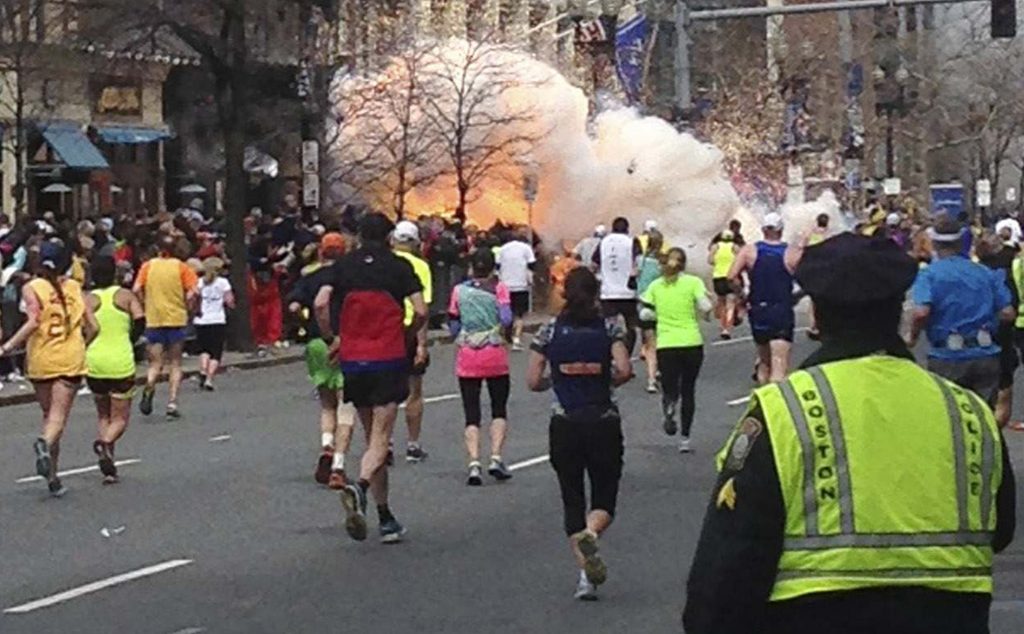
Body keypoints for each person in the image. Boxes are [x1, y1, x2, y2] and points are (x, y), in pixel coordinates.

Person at [684, 232, 1016, 634]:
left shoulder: (783, 412)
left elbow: (728, 566)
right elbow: (1001, 531)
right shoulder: (968, 412)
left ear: (818, 317)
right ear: (899, 308)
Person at [314, 213, 427, 544]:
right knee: (381, 440)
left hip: (353, 359)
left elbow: (321, 302)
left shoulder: (343, 266)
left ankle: (385, 516)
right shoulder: (399, 267)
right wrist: (406, 334)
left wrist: (332, 337)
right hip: (388, 357)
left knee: (370, 438)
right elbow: (420, 311)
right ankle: (360, 487)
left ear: (360, 236)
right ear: (389, 237)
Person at [526, 267, 633, 601]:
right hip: (602, 419)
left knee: (572, 498)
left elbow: (532, 380)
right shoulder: (611, 327)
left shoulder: (549, 331)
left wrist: (554, 381)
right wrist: (608, 379)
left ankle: (586, 578)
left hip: (565, 423)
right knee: (604, 498)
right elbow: (625, 369)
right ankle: (592, 531)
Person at [0, 241, 98, 497]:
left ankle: (53, 477)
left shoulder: (32, 287)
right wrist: (82, 344)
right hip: (69, 358)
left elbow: (33, 321)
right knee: (57, 418)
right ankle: (44, 446)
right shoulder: (75, 287)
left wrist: (8, 346)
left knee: (49, 416)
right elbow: (94, 327)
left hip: (41, 358)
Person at [909, 217, 1014, 408]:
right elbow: (1007, 313)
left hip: (947, 356)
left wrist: (912, 337)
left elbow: (921, 313)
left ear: (935, 244)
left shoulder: (929, 274)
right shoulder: (984, 272)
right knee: (985, 416)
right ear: (961, 243)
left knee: (952, 418)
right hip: (985, 353)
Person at [289, 232, 353, 490]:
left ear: (322, 251)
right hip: (345, 342)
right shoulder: (349, 278)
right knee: (345, 404)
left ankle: (327, 444)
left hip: (316, 343)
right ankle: (338, 465)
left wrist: (302, 324)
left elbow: (293, 305)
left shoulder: (310, 277)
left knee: (327, 404)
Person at [448, 248, 514, 485]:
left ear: (471, 267)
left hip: (468, 355)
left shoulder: (459, 291)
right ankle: (496, 457)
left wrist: (464, 333)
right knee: (498, 408)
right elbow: (506, 318)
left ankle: (474, 462)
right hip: (494, 353)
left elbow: (453, 320)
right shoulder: (499, 288)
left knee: (471, 412)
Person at [641, 248, 713, 452]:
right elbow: (705, 306)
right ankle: (685, 439)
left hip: (667, 344)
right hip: (692, 342)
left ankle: (669, 405)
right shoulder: (693, 282)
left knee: (670, 386)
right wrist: (706, 315)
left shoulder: (656, 286)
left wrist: (656, 317)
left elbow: (646, 312)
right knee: (689, 390)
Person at [85, 255, 145, 484]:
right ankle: (105, 443)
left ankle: (109, 464)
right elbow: (140, 321)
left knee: (103, 413)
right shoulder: (125, 295)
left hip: (95, 361)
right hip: (120, 360)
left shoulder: (88, 299)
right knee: (120, 418)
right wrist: (130, 339)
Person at [728, 212, 803, 384]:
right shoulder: (792, 253)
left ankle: (762, 397)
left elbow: (731, 276)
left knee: (763, 362)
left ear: (763, 229)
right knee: (779, 363)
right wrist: (797, 296)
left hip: (758, 308)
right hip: (781, 309)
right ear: (781, 230)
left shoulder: (749, 251)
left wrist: (742, 295)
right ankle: (775, 404)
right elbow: (810, 279)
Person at [133, 234, 199, 419]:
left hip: (154, 319)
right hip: (176, 319)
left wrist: (145, 303)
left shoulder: (148, 266)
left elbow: (136, 288)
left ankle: (150, 384)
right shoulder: (182, 267)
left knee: (155, 362)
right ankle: (172, 402)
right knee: (175, 363)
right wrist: (189, 308)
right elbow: (193, 292)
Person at [392, 220, 432, 463]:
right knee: (414, 390)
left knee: (385, 391)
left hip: (386, 330)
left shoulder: (385, 263)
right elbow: (422, 309)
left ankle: (384, 441)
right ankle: (413, 444)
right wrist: (422, 343)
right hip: (410, 329)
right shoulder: (421, 266)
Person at [978, 232, 1019, 426]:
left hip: (976, 339)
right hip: (1002, 336)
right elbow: (1009, 310)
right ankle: (995, 432)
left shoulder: (973, 274)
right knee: (1003, 389)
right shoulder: (1002, 275)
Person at [593, 217, 642, 354]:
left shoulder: (603, 242)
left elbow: (594, 263)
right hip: (628, 292)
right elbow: (638, 263)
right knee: (631, 326)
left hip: (608, 292)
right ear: (627, 228)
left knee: (609, 326)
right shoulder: (632, 241)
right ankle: (628, 354)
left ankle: (610, 354)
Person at [193, 257, 233, 391]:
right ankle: (209, 379)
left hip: (201, 320)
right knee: (216, 352)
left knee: (204, 349)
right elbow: (229, 301)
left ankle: (203, 370)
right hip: (217, 319)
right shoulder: (223, 283)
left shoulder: (199, 282)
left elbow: (193, 298)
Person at [496, 227, 536, 351]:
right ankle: (516, 339)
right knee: (519, 314)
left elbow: (497, 267)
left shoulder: (502, 250)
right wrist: (530, 279)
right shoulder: (526, 248)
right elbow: (532, 265)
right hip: (521, 285)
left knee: (505, 312)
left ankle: (504, 336)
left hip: (505, 286)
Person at [636, 231, 664, 392]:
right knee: (661, 342)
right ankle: (660, 370)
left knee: (650, 344)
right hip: (660, 307)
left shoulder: (640, 261)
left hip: (643, 306)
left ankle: (651, 379)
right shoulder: (662, 263)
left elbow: (634, 276)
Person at [708, 229, 738, 340]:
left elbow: (710, 260)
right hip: (731, 277)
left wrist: (719, 262)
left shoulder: (716, 247)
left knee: (721, 302)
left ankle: (722, 326)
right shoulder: (734, 247)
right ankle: (727, 329)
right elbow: (739, 260)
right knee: (731, 304)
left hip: (718, 277)